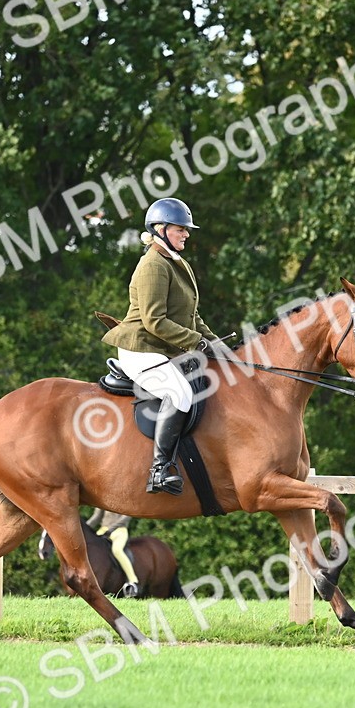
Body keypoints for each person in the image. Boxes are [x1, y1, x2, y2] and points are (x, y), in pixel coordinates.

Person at [101, 197, 229, 495]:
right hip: (141, 349)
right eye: (180, 229)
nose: (186, 234)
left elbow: (192, 317)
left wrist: (216, 344)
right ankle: (159, 470)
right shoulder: (152, 265)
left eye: (186, 229)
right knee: (179, 393)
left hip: (162, 348)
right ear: (160, 229)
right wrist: (196, 342)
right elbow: (154, 321)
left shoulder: (176, 262)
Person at [88, 508, 140, 597]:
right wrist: (83, 528)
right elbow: (96, 517)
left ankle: (132, 580)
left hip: (119, 530)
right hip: (103, 530)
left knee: (117, 550)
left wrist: (111, 529)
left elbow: (126, 517)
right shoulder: (101, 501)